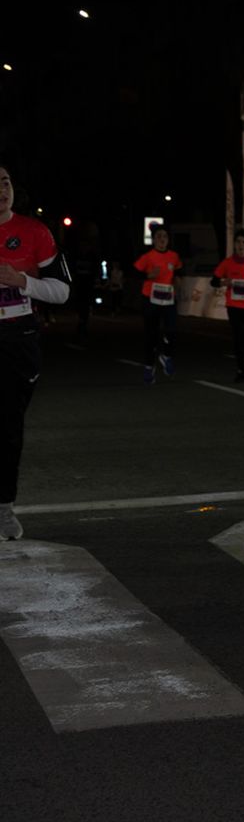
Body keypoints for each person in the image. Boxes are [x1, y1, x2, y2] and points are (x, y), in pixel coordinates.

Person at [0, 164, 70, 540]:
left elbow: (62, 291)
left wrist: (22, 281)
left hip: (18, 339)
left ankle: (3, 508)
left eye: (5, 181)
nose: (1, 189)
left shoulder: (35, 232)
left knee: (9, 428)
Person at [211, 229, 244, 382]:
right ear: (234, 244)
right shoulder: (227, 263)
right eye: (238, 242)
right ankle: (241, 370)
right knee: (238, 335)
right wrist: (223, 282)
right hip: (234, 306)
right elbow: (213, 281)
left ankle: (243, 351)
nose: (240, 245)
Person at [133, 225, 182, 385]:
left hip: (168, 299)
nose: (162, 239)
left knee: (172, 330)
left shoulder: (174, 256)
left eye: (165, 236)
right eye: (159, 236)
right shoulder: (147, 257)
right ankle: (149, 367)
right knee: (151, 335)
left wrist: (178, 280)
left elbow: (179, 272)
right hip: (150, 299)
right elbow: (134, 272)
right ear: (153, 240)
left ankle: (166, 356)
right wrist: (148, 275)